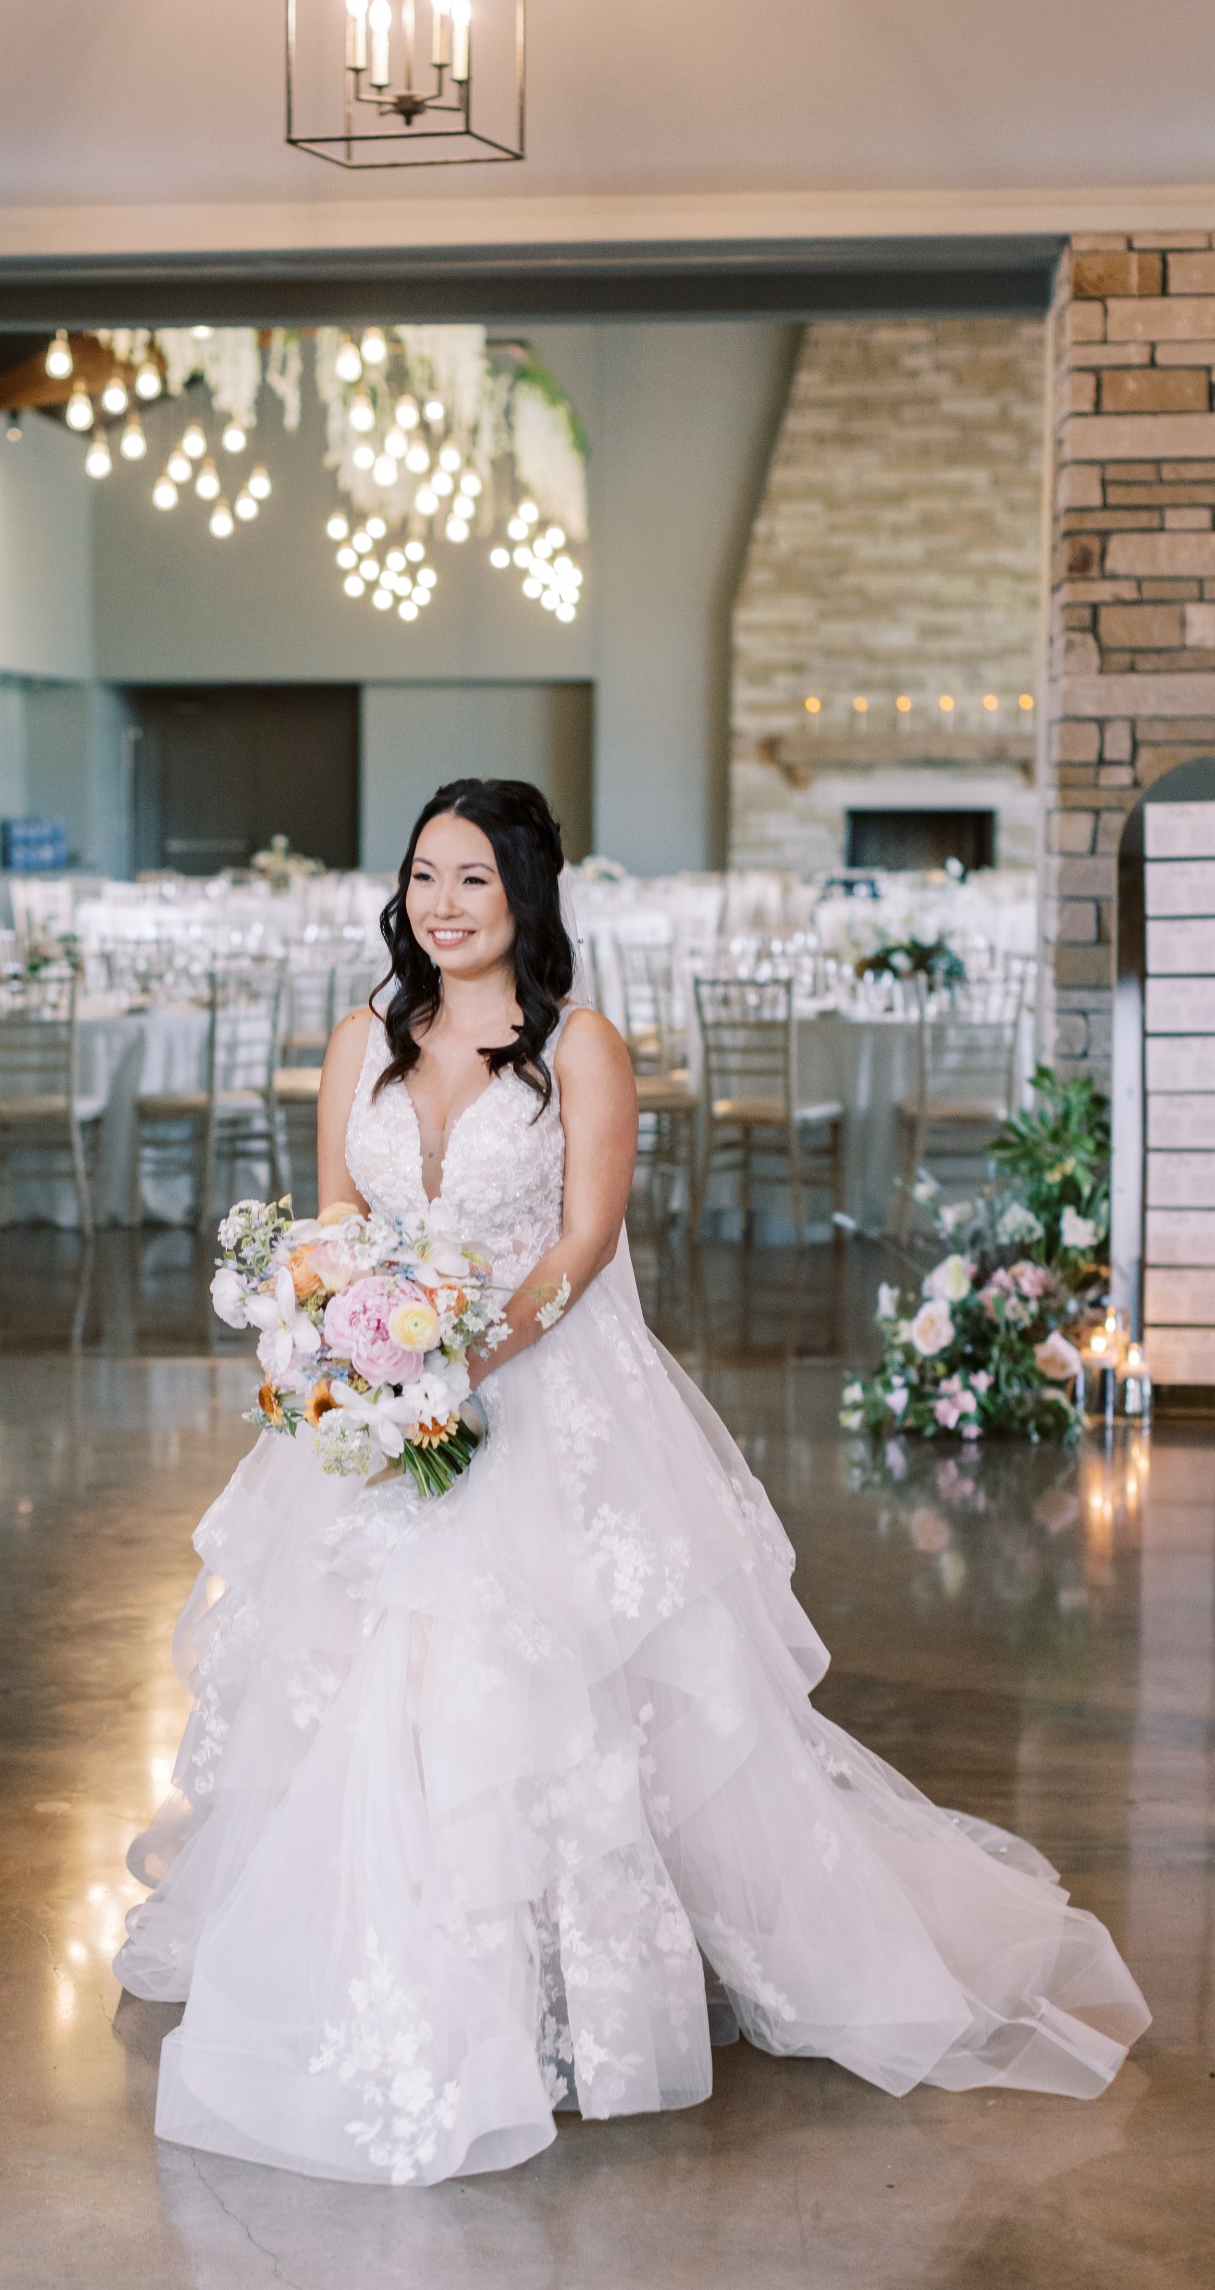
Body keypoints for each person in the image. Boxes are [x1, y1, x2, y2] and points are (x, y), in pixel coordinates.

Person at [113, 778, 1149, 2187]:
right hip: (368, 1404)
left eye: (474, 878)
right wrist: (344, 1342)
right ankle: (380, 1945)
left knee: (541, 1686)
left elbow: (582, 1245)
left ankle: (561, 1979)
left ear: (526, 893)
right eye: (425, 875)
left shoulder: (582, 1046)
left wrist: (458, 1366)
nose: (443, 904)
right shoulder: (361, 1036)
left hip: (531, 1399)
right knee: (356, 1674)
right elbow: (336, 1225)